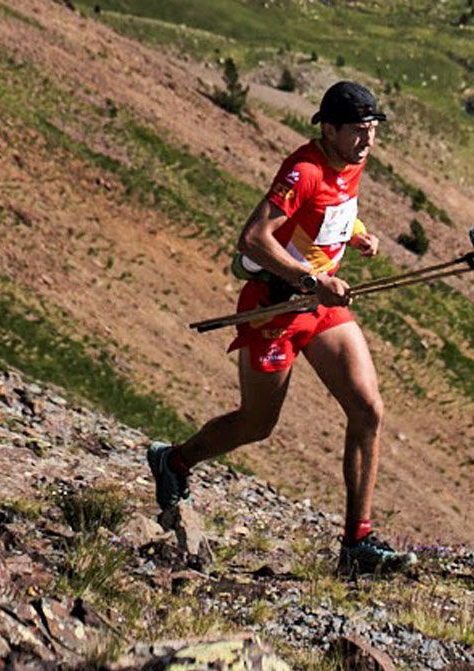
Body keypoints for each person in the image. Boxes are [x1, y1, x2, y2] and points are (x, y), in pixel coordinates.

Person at [148, 81, 416, 575]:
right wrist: (312, 279)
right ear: (328, 128)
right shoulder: (304, 169)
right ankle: (176, 462)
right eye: (358, 131)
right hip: (273, 309)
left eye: (373, 130)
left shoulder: (351, 162)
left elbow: (332, 211)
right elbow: (253, 238)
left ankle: (357, 545)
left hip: (320, 303)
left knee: (367, 408)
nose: (367, 141)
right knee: (257, 423)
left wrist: (356, 235)